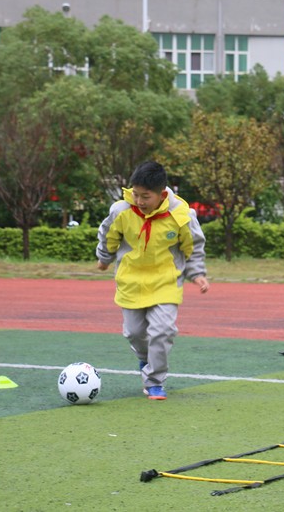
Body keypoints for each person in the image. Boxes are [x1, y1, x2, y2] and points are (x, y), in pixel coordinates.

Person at [96, 161, 209, 401]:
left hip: (165, 283)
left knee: (162, 331)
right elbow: (108, 234)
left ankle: (155, 381)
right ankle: (145, 359)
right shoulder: (121, 211)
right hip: (131, 281)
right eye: (136, 194)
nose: (139, 201)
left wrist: (197, 273)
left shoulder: (181, 215)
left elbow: (193, 246)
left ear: (162, 193)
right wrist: (104, 257)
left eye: (146, 196)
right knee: (135, 333)